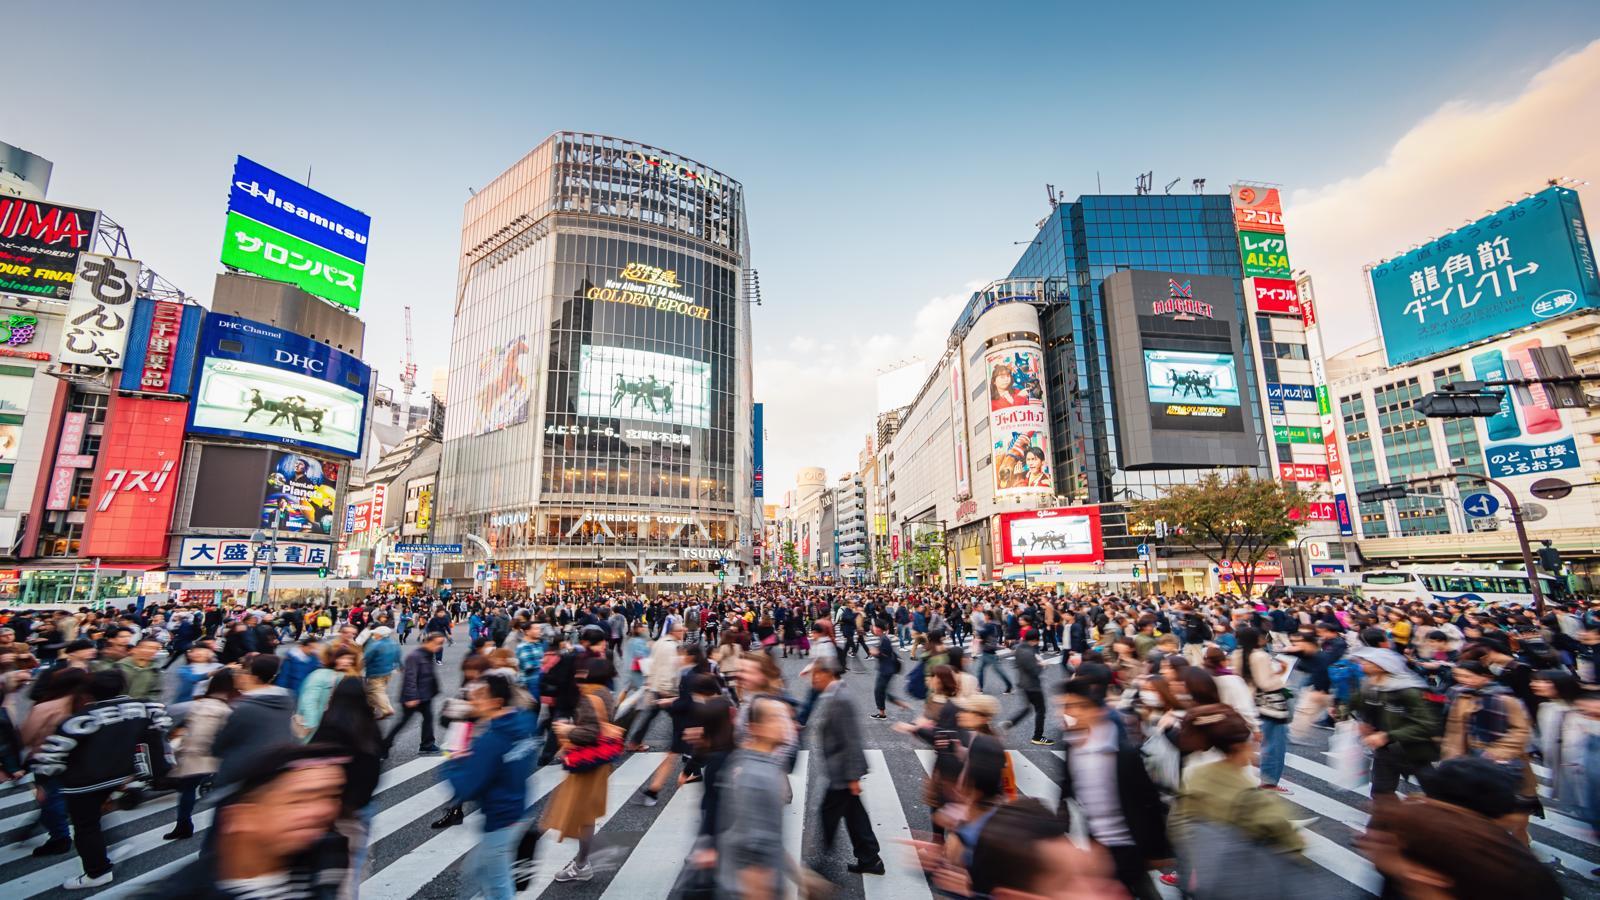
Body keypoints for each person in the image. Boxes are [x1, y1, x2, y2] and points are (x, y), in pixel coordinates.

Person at [137, 743, 352, 900]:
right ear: (241, 815)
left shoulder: (328, 857)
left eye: (330, 796)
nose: (324, 810)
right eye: (298, 800)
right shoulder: (180, 893)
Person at [30, 669, 173, 890]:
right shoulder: (146, 707)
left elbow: (51, 756)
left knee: (86, 826)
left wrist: (42, 782)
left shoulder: (79, 720)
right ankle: (110, 848)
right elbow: (159, 729)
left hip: (84, 781)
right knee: (96, 816)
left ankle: (97, 872)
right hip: (121, 773)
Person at [1054, 677, 1171, 900]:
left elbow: (1148, 801)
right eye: (1066, 706)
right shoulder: (1072, 744)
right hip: (1098, 846)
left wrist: (1157, 851)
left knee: (1143, 889)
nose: (1069, 713)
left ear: (1097, 711)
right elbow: (1066, 785)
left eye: (1078, 706)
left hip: (1129, 844)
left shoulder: (1122, 752)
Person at [1171, 703, 1305, 892]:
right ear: (1238, 746)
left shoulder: (1194, 775)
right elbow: (1287, 838)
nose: (1254, 749)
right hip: (1242, 882)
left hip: (1205, 876)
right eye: (1251, 744)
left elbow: (1177, 826)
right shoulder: (1248, 789)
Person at [446, 673, 537, 900]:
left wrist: (451, 764)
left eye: (478, 697)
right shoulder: (523, 723)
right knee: (480, 869)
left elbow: (467, 787)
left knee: (497, 883)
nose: (472, 702)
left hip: (500, 817)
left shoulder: (492, 740)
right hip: (518, 809)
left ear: (496, 702)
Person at [1442, 658, 1538, 845]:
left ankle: (1521, 841)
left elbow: (1521, 730)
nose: (1463, 680)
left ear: (1484, 676)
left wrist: (1498, 752)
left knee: (1516, 806)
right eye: (1459, 676)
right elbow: (1455, 729)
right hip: (1472, 756)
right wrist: (1451, 756)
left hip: (1505, 759)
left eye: (1468, 676)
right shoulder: (1461, 696)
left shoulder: (1506, 698)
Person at [543, 658, 618, 883]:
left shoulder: (590, 696)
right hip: (598, 761)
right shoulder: (605, 692)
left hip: (587, 762)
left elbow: (590, 733)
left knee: (581, 814)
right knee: (585, 814)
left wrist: (568, 730)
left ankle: (582, 864)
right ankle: (581, 862)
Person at [717, 695, 798, 900]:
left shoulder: (762, 764)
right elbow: (752, 849)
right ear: (755, 728)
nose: (785, 723)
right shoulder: (756, 776)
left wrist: (799, 876)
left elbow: (767, 836)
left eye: (785, 717)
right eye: (775, 718)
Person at [809, 657, 884, 876]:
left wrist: (852, 778)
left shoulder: (841, 698)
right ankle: (870, 859)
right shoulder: (834, 694)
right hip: (840, 770)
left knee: (828, 814)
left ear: (825, 674)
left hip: (842, 771)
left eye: (815, 675)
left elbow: (852, 740)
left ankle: (824, 864)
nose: (813, 681)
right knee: (854, 815)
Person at [1350, 645, 1440, 797]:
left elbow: (1427, 725)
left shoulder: (1408, 689)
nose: (1362, 665)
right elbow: (1357, 704)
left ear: (1382, 666)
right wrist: (1352, 716)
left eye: (1368, 662)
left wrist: (1386, 736)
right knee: (1381, 792)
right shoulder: (1369, 684)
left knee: (1435, 791)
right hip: (1384, 749)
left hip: (1412, 749)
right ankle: (1387, 818)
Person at [166, 668, 238, 840]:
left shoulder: (202, 704)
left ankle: (184, 825)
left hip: (197, 755)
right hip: (211, 756)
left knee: (188, 791)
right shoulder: (225, 707)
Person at [212, 655, 296, 790]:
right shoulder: (286, 698)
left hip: (241, 777)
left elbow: (220, 746)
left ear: (252, 677)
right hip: (274, 772)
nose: (236, 674)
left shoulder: (243, 707)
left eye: (241, 671)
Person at [1233, 626, 1290, 792]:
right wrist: (1281, 674)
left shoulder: (1237, 654)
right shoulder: (1260, 656)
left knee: (1250, 741)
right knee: (1274, 744)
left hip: (1247, 700)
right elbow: (1265, 683)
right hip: (1270, 703)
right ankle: (1269, 782)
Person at [384, 632, 444, 756]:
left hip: (425, 695)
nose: (439, 646)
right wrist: (411, 696)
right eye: (437, 643)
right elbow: (410, 677)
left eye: (441, 644)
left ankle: (427, 744)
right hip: (414, 696)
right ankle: (383, 747)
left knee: (428, 718)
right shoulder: (415, 656)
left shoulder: (428, 654)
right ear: (428, 642)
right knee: (402, 722)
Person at [298, 646, 361, 737]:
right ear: (334, 659)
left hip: (337, 725)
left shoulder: (349, 677)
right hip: (318, 725)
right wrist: (312, 724)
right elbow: (309, 700)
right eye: (343, 658)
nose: (348, 662)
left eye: (350, 659)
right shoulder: (321, 675)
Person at [1004, 628, 1052, 745]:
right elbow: (1035, 671)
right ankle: (1038, 736)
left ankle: (1011, 722)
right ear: (1035, 639)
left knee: (1027, 708)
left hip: (1023, 683)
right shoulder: (1028, 653)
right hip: (1032, 686)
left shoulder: (1020, 647)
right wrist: (1042, 665)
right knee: (1041, 710)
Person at [869, 618, 907, 719]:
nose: (872, 628)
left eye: (873, 626)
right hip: (887, 669)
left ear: (877, 628)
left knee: (879, 691)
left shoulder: (884, 639)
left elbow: (885, 654)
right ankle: (899, 704)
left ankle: (882, 713)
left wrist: (875, 653)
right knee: (882, 691)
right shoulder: (883, 637)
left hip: (886, 670)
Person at [362, 626, 400, 719]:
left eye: (375, 633)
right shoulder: (394, 643)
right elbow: (398, 656)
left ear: (380, 635)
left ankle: (386, 709)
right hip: (388, 671)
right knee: (375, 690)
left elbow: (366, 658)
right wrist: (399, 666)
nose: (374, 635)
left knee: (376, 690)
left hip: (375, 672)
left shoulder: (376, 645)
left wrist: (360, 666)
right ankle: (371, 708)